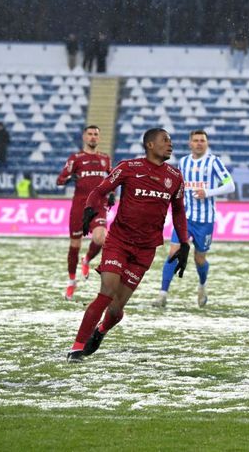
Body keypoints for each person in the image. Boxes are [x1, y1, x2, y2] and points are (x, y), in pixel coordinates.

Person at [66, 128, 189, 363]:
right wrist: (90, 209)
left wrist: (184, 243)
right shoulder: (128, 167)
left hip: (145, 250)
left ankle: (100, 331)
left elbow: (179, 211)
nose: (170, 144)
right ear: (150, 145)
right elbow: (100, 190)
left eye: (171, 141)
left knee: (116, 309)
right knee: (106, 293)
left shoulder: (175, 176)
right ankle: (77, 347)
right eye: (165, 140)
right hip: (119, 242)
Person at [152, 129, 235, 309]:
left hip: (205, 221)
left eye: (202, 140)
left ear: (207, 143)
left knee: (199, 259)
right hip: (185, 218)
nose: (199, 143)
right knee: (173, 253)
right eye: (196, 140)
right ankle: (162, 294)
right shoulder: (183, 162)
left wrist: (208, 192)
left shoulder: (214, 162)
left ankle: (202, 286)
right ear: (190, 143)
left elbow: (230, 186)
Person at [56, 125, 112, 301]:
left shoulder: (105, 159)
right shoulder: (76, 158)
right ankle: (72, 282)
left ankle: (87, 259)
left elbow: (112, 179)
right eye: (90, 134)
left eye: (96, 134)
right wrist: (69, 178)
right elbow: (60, 180)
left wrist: (112, 194)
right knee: (74, 245)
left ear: (99, 138)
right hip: (79, 207)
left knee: (101, 238)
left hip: (98, 206)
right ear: (84, 137)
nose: (93, 137)